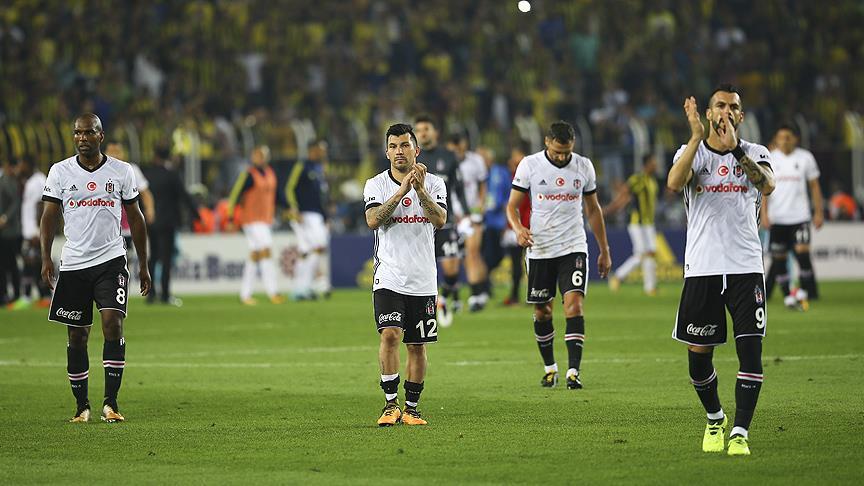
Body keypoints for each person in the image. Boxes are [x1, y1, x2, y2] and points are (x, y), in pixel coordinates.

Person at [667, 85, 776, 456]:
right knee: (698, 357)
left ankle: (740, 432)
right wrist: (696, 137)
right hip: (703, 268)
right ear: (709, 113)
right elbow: (673, 183)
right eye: (719, 105)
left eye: (733, 106)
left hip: (746, 268)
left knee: (751, 352)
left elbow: (768, 185)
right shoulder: (692, 153)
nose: (726, 111)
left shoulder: (756, 152)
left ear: (740, 116)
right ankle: (715, 418)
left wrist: (736, 151)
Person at [40, 113, 152, 423]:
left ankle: (110, 403)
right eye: (77, 133)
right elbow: (49, 216)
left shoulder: (122, 171)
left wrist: (144, 264)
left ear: (101, 136)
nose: (82, 138)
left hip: (111, 261)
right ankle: (82, 406)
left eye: (89, 132)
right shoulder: (60, 171)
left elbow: (137, 217)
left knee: (113, 324)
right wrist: (46, 257)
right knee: (77, 336)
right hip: (74, 264)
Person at [505, 121, 612, 391]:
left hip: (573, 246)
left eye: (566, 152)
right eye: (557, 152)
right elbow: (512, 206)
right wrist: (518, 228)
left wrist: (604, 249)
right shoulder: (530, 165)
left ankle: (573, 372)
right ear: (546, 142)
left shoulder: (584, 166)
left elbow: (593, 209)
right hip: (540, 248)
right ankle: (550, 368)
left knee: (574, 306)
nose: (562, 157)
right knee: (543, 312)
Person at [364, 123, 447, 426]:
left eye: (404, 145)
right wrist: (402, 192)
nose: (399, 151)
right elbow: (373, 220)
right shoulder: (375, 184)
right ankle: (390, 404)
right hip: (389, 275)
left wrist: (420, 190)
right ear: (387, 152)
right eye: (393, 146)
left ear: (416, 150)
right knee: (390, 334)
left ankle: (412, 408)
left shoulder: (435, 183)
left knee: (416, 345)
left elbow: (439, 220)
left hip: (423, 278)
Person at [414, 115, 468, 326]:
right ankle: (427, 305)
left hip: (445, 219)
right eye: (419, 130)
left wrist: (466, 212)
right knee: (421, 269)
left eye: (426, 129)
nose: (422, 133)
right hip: (420, 222)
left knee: (451, 269)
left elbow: (458, 187)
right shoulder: (412, 158)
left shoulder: (448, 156)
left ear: (435, 132)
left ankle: (443, 298)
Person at [763, 124, 823, 308]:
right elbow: (764, 189)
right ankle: (788, 295)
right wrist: (763, 214)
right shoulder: (770, 158)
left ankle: (804, 291)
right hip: (777, 218)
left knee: (803, 254)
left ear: (795, 139)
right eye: (781, 137)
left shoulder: (805, 158)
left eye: (788, 137)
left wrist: (819, 212)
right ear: (776, 139)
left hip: (800, 217)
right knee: (779, 259)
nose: (785, 141)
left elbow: (814, 186)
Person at [141, 143, 200, 305]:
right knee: (166, 258)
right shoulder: (172, 175)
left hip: (151, 220)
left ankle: (151, 293)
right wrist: (196, 214)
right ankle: (165, 294)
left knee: (153, 256)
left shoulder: (147, 174)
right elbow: (184, 195)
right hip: (168, 221)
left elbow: (140, 197)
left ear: (155, 155)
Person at [226, 145, 285, 305]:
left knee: (255, 255)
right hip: (251, 220)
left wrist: (288, 208)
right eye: (257, 155)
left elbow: (277, 195)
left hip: (266, 219)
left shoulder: (271, 173)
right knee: (266, 249)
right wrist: (230, 218)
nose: (259, 158)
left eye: (262, 155)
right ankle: (273, 292)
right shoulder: (248, 175)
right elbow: (235, 195)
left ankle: (245, 294)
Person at [606, 154, 660, 295]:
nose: (656, 165)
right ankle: (618, 276)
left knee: (650, 253)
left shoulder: (653, 181)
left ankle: (650, 287)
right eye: (654, 162)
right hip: (638, 223)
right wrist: (611, 209)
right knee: (642, 254)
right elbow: (624, 194)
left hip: (649, 223)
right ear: (647, 164)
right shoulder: (637, 179)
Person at [447, 133, 489, 312]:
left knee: (472, 253)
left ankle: (476, 295)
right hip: (452, 216)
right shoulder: (445, 162)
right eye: (454, 144)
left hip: (471, 215)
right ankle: (455, 296)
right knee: (452, 258)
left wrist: (480, 206)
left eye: (460, 143)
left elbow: (482, 185)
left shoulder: (476, 161)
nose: (457, 147)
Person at [285, 139, 331, 300]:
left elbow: (322, 196)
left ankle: (304, 287)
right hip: (304, 215)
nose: (324, 153)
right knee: (312, 249)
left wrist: (326, 217)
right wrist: (294, 208)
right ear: (313, 150)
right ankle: (303, 288)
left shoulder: (319, 168)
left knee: (310, 251)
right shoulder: (302, 166)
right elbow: (289, 188)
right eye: (322, 149)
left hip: (318, 216)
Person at [15, 155, 51, 308]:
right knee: (30, 264)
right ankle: (31, 296)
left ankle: (44, 296)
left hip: (35, 233)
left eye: (21, 164)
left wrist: (38, 231)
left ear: (28, 164)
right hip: (29, 232)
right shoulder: (30, 181)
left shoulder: (38, 181)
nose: (19, 168)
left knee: (36, 264)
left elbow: (41, 207)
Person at [104, 143, 155, 251]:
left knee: (128, 256)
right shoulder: (98, 171)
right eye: (111, 152)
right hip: (106, 229)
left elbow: (145, 192)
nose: (115, 155)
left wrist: (150, 209)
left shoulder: (131, 169)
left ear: (123, 154)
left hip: (129, 227)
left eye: (118, 152)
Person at [477, 146, 510, 301]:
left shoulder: (501, 173)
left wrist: (508, 222)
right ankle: (484, 287)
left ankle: (485, 281)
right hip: (482, 222)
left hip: (497, 221)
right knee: (484, 256)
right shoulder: (477, 175)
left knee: (497, 256)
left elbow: (508, 196)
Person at [503, 141, 532, 306]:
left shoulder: (530, 177)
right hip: (514, 227)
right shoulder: (509, 176)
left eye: (517, 156)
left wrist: (526, 226)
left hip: (528, 226)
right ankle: (514, 295)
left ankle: (534, 294)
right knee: (515, 264)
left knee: (531, 262)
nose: (514, 159)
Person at [0, 158, 22, 307]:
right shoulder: (5, 180)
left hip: (9, 231)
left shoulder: (9, 181)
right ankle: (5, 295)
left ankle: (15, 295)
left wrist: (5, 218)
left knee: (11, 264)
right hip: (5, 231)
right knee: (5, 265)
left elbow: (16, 202)